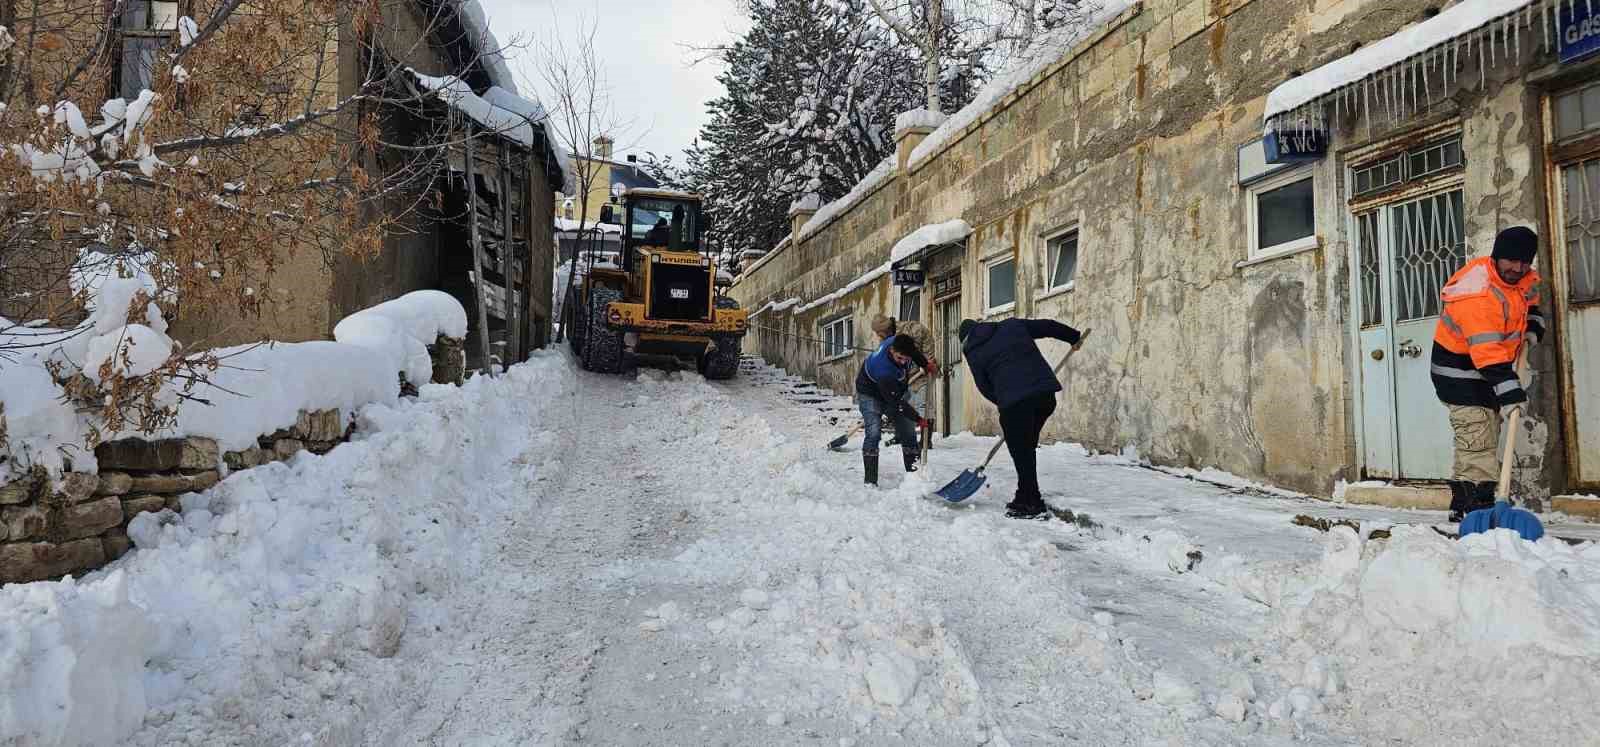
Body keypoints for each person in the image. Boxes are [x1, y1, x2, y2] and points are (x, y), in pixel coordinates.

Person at [1432, 225, 1545, 522]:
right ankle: (1477, 509)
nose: (1517, 268)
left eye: (1524, 262)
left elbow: (1529, 295)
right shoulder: (1478, 294)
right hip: (1460, 375)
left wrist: (1532, 322)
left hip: (1487, 372)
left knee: (1475, 438)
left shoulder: (1522, 278)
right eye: (1510, 261)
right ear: (1496, 257)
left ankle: (1460, 505)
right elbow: (1488, 352)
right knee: (1478, 439)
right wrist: (1510, 392)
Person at [959, 317, 1083, 519]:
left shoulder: (973, 351)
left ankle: (1031, 501)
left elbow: (984, 387)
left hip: (1016, 402)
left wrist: (1004, 402)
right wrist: (1073, 337)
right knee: (1025, 446)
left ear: (965, 340)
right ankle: (1024, 493)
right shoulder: (1011, 325)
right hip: (1045, 396)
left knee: (1022, 450)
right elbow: (1048, 326)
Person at [857, 333, 936, 485]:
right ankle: (870, 482)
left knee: (908, 432)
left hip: (893, 389)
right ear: (892, 350)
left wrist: (925, 364)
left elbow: (914, 353)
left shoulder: (902, 344)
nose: (903, 362)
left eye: (906, 359)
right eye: (900, 358)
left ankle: (915, 480)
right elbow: (897, 403)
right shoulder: (883, 370)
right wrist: (918, 419)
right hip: (870, 392)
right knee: (873, 433)